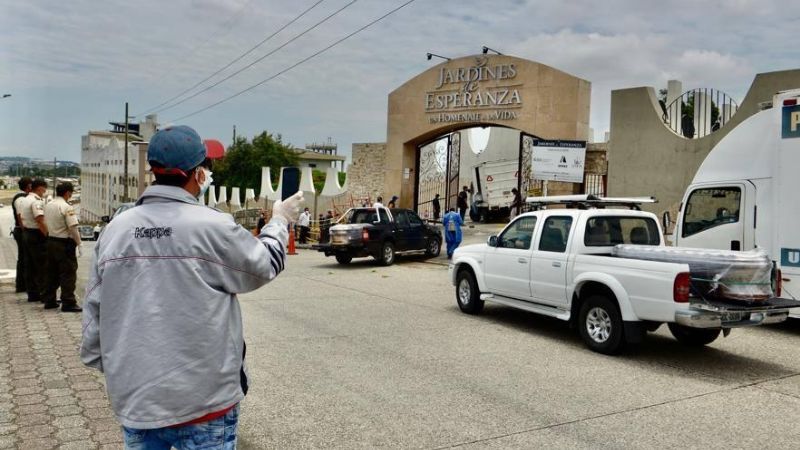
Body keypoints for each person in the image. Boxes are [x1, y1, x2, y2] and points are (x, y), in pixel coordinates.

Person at [80, 125, 304, 448]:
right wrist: (280, 220)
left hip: (138, 403)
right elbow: (264, 264)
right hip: (206, 405)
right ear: (197, 174)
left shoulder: (116, 230)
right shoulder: (213, 227)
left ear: (154, 170)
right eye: (206, 167)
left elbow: (94, 312)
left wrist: (115, 366)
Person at [42, 182, 82, 312]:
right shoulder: (66, 207)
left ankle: (49, 300)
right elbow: (73, 228)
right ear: (68, 193)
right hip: (64, 243)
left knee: (51, 273)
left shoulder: (48, 205)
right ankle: (68, 302)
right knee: (68, 273)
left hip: (51, 240)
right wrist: (79, 243)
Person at [20, 178, 48, 303]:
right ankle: (43, 293)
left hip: (26, 232)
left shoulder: (24, 200)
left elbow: (20, 217)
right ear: (40, 188)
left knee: (29, 265)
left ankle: (32, 293)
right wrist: (47, 235)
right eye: (44, 189)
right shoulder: (36, 201)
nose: (45, 192)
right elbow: (40, 220)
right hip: (37, 235)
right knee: (41, 265)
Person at [11, 177, 32, 293]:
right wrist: (25, 231)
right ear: (28, 186)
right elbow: (20, 217)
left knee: (25, 258)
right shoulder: (20, 199)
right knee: (23, 259)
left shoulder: (25, 198)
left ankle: (24, 284)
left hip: (23, 230)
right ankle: (21, 285)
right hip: (22, 230)